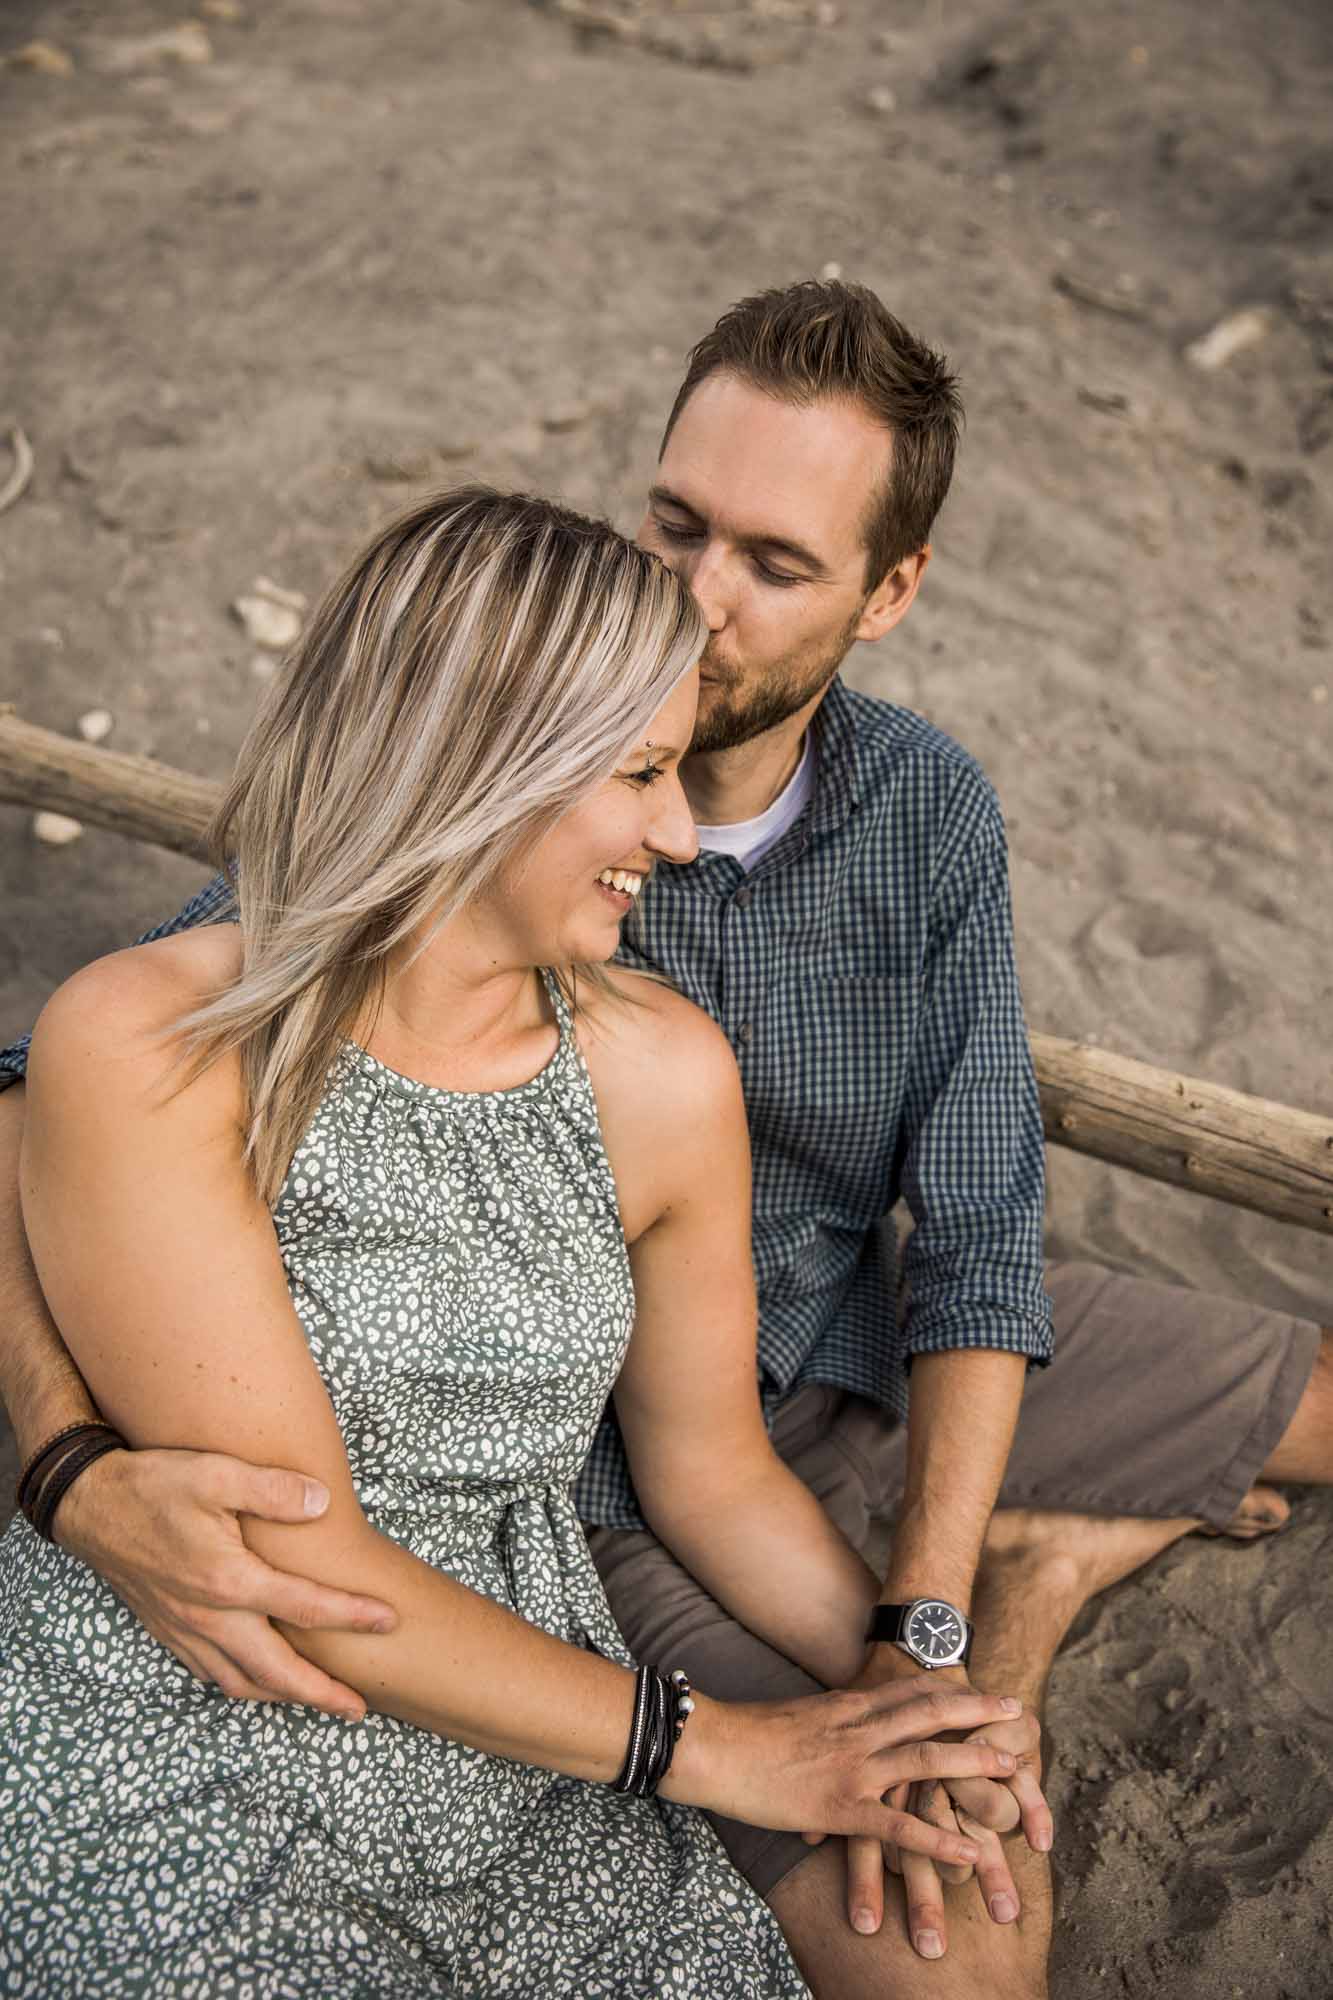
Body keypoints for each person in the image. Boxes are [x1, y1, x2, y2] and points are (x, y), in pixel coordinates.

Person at [1, 284, 1328, 1998]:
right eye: (676, 525)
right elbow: (64, 1094)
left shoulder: (911, 818)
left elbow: (981, 1236)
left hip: (834, 1352)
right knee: (945, 1945)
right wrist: (67, 1460)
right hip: (591, 1488)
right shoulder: (462, 763)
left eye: (772, 562)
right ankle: (1024, 1572)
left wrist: (918, 1648)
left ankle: (1023, 1570)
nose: (695, 601)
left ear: (887, 592)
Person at [0, 486, 1032, 1997]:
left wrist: (911, 1687)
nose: (677, 834)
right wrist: (727, 1751)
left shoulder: (663, 1074)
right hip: (194, 1714)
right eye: (641, 774)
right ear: (485, 765)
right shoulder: (156, 1044)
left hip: (524, 1725)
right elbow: (298, 1561)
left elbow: (712, 1474)